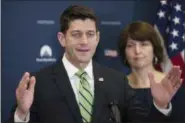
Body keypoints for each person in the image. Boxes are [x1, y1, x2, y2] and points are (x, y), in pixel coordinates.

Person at [9, 5, 182, 123]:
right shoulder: (38, 83)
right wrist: (22, 114)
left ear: (97, 38)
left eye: (90, 34)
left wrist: (160, 105)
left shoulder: (118, 82)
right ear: (62, 39)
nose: (84, 41)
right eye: (76, 34)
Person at [118, 21, 185, 122]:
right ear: (124, 53)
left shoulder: (173, 85)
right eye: (130, 45)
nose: (137, 51)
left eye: (144, 44)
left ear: (155, 50)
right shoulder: (116, 88)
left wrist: (163, 106)